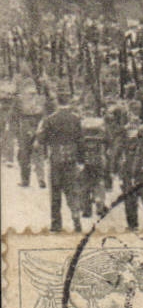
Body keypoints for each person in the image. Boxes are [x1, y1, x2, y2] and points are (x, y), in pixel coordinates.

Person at [35, 96, 84, 232]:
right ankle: (76, 219)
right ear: (68, 102)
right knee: (72, 190)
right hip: (71, 158)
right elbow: (81, 141)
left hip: (55, 159)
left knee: (55, 191)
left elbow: (40, 139)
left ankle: (56, 224)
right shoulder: (76, 119)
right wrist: (81, 160)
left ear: (57, 102)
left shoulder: (50, 119)